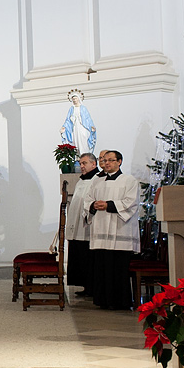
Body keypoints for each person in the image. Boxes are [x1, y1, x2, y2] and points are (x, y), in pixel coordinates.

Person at [85, 150, 140, 310]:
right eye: (105, 160)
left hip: (120, 230)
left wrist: (108, 205)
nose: (107, 163)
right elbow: (87, 199)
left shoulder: (129, 180)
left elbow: (131, 202)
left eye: (110, 160)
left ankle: (120, 302)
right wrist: (93, 205)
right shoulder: (97, 181)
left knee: (118, 268)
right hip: (101, 230)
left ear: (119, 161)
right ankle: (102, 300)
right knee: (102, 266)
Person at [65, 153, 99, 299]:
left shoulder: (97, 179)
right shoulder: (82, 180)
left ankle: (92, 287)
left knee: (88, 257)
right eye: (80, 163)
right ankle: (85, 285)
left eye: (84, 163)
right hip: (76, 225)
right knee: (79, 255)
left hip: (86, 226)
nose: (82, 166)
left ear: (94, 164)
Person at [60, 90, 97, 155]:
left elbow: (88, 118)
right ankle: (78, 155)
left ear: (78, 99)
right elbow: (68, 120)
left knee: (84, 140)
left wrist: (91, 126)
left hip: (83, 126)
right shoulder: (72, 108)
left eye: (75, 98)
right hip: (75, 127)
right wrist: (64, 127)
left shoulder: (83, 108)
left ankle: (84, 154)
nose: (74, 100)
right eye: (73, 99)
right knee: (76, 141)